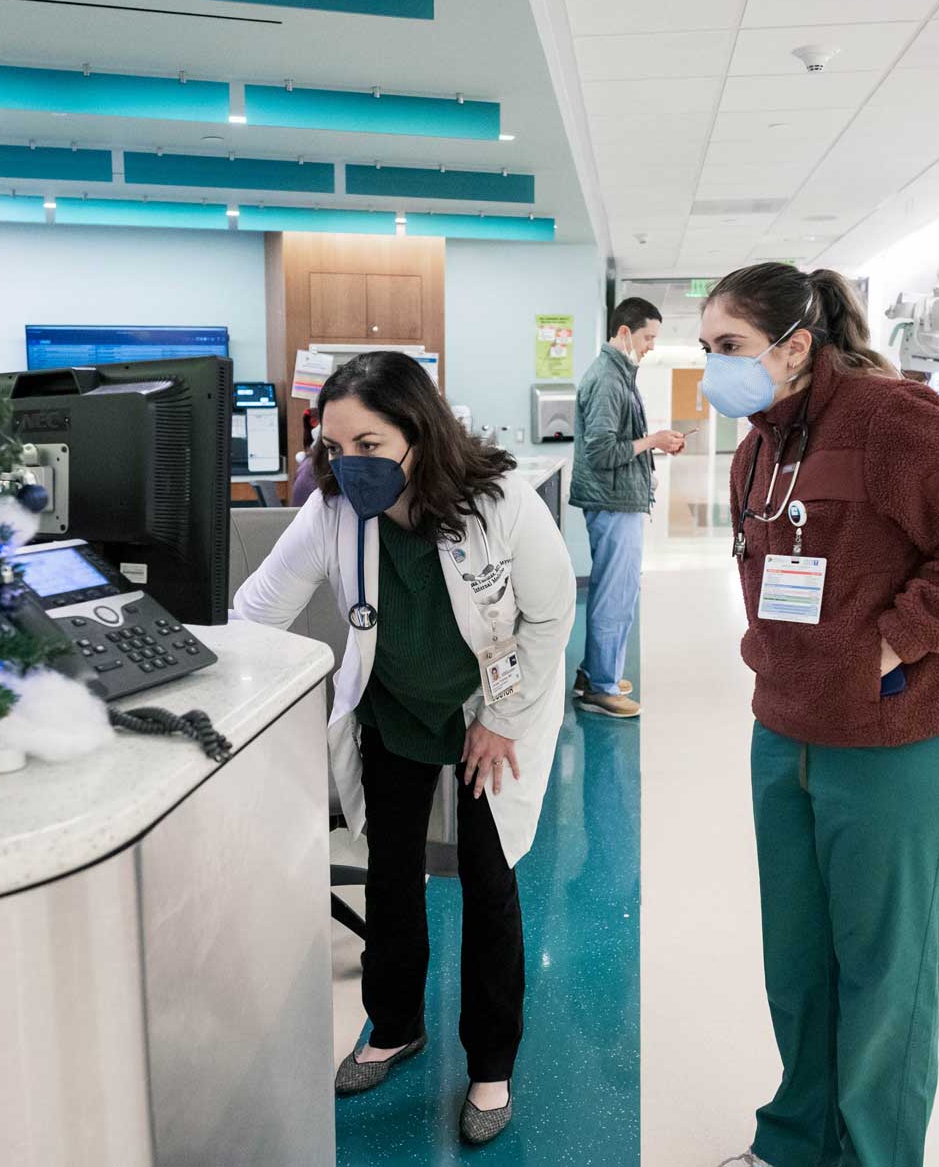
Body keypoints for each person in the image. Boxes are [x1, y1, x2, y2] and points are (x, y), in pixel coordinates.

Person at [700, 264, 939, 1167]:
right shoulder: (757, 448)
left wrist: (897, 641)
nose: (713, 369)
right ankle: (799, 1139)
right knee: (801, 967)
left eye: (728, 347)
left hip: (900, 741)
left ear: (796, 346)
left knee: (888, 979)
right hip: (787, 731)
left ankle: (874, 1155)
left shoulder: (891, 419)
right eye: (707, 349)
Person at [232, 351, 575, 1146]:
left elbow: (550, 618)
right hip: (393, 713)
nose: (351, 465)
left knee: (489, 882)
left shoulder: (501, 502)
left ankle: (490, 1064)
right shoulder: (332, 512)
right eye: (334, 446)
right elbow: (256, 612)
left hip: (487, 711)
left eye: (371, 445)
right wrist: (206, 672)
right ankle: (393, 1026)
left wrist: (503, 716)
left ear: (420, 435)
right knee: (391, 872)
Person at [568, 296, 684, 719]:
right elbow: (601, 451)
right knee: (615, 595)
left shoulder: (619, 374)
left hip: (618, 498)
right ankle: (601, 687)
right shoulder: (608, 379)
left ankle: (593, 673)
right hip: (612, 502)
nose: (652, 346)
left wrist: (654, 443)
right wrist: (653, 441)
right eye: (648, 337)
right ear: (623, 333)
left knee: (615, 590)